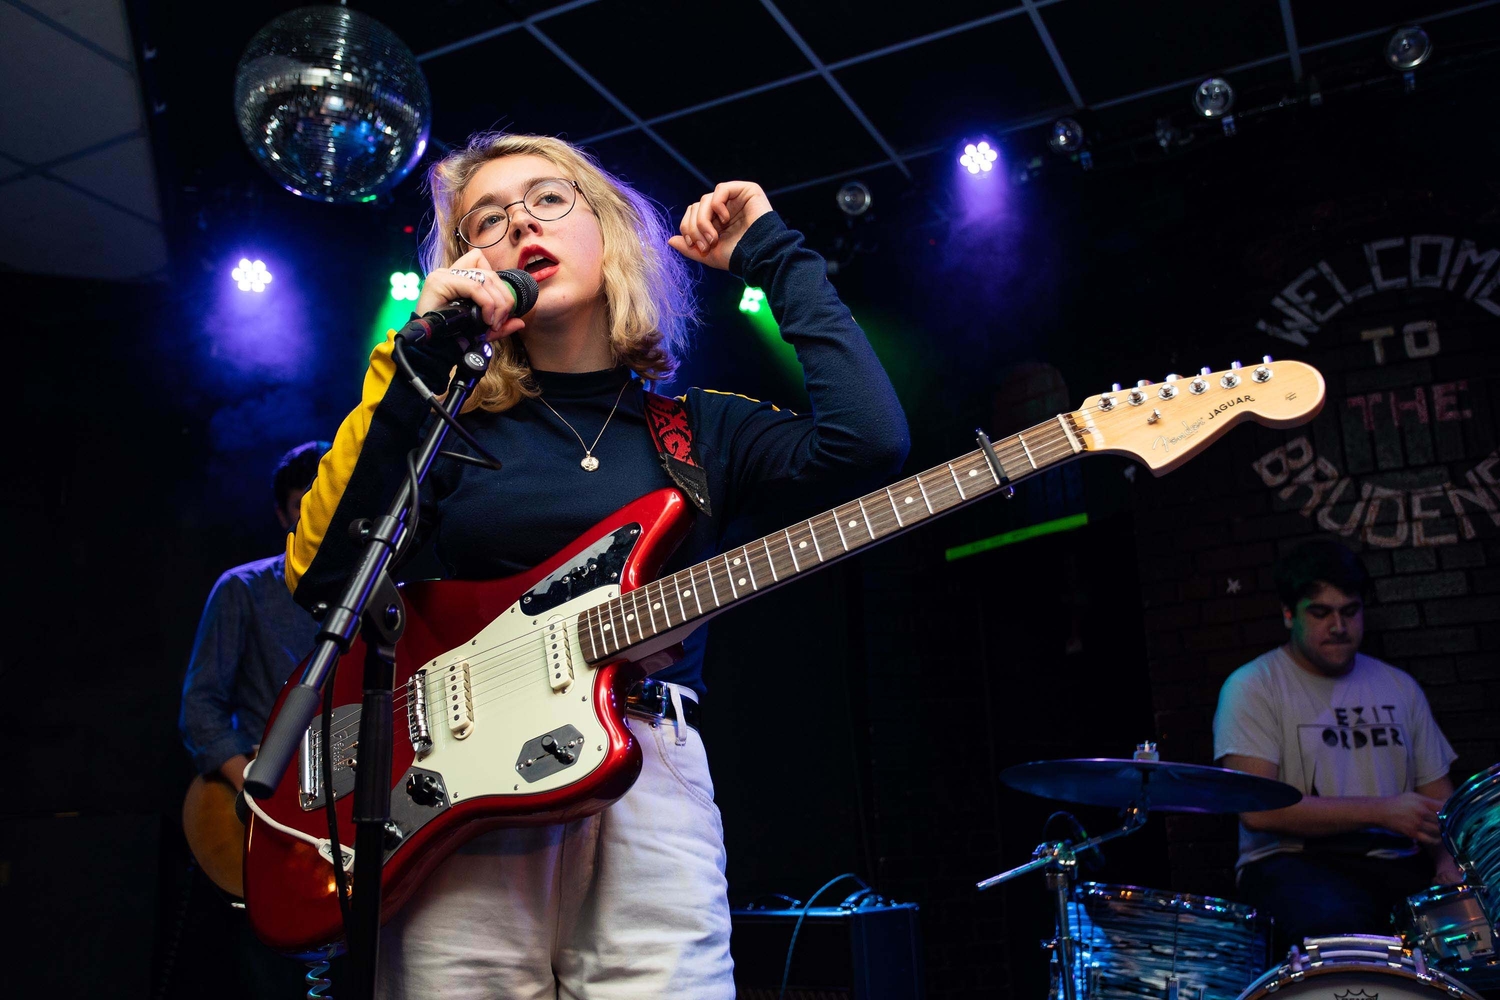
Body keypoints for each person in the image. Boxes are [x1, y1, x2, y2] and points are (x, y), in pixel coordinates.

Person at [284, 132, 909, 998]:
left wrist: (772, 251)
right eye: (487, 222)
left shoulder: (698, 427)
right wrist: (421, 352)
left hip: (645, 771)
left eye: (549, 200)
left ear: (606, 229)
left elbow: (869, 440)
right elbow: (320, 572)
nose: (519, 227)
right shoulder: (444, 426)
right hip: (458, 795)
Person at [1213, 538, 1463, 944]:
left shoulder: (1398, 686)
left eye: (1350, 612)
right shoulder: (1253, 686)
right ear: (1288, 613)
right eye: (1321, 613)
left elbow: (1441, 806)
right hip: (1293, 862)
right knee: (1342, 931)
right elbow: (1258, 812)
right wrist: (1382, 812)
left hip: (1397, 862)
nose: (1339, 627)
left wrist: (1448, 864)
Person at [178, 439, 330, 997]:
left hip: (346, 818)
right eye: (302, 506)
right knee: (276, 975)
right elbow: (201, 709)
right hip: (269, 823)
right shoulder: (242, 588)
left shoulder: (377, 597)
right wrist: (260, 791)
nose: (316, 515)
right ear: (282, 514)